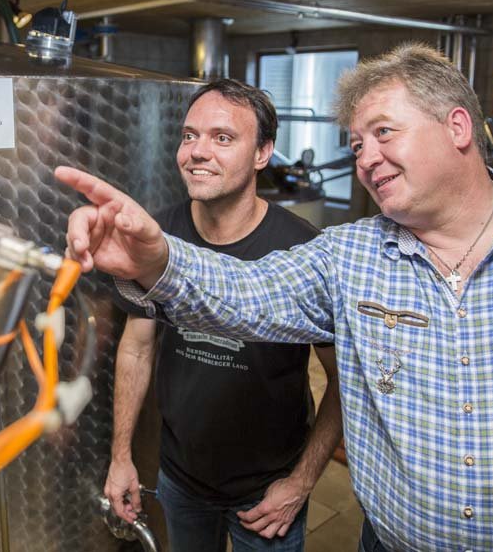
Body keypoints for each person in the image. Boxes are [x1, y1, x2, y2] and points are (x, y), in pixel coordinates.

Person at [57, 43, 493, 551]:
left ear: (458, 127)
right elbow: (247, 291)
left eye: (382, 133)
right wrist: (158, 260)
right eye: (357, 144)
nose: (364, 158)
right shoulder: (348, 254)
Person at [103, 79, 342, 552]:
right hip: (180, 479)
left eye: (223, 138)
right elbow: (137, 347)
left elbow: (342, 378)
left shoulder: (302, 248)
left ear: (262, 153)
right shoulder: (158, 236)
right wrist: (121, 456)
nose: (197, 151)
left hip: (267, 491)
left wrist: (300, 482)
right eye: (189, 135)